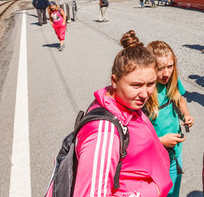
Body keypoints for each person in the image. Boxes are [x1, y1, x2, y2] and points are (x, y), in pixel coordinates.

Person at [67, 30, 172, 196]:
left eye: (150, 84)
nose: (145, 94)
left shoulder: (127, 105)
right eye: (136, 85)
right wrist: (153, 190)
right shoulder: (104, 132)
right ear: (114, 81)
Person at [144, 41, 194, 197]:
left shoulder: (172, 81)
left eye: (170, 67)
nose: (166, 73)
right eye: (160, 69)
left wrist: (186, 114)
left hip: (175, 150)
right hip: (153, 155)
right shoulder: (144, 91)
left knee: (173, 190)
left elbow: (179, 99)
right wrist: (160, 142)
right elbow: (135, 133)